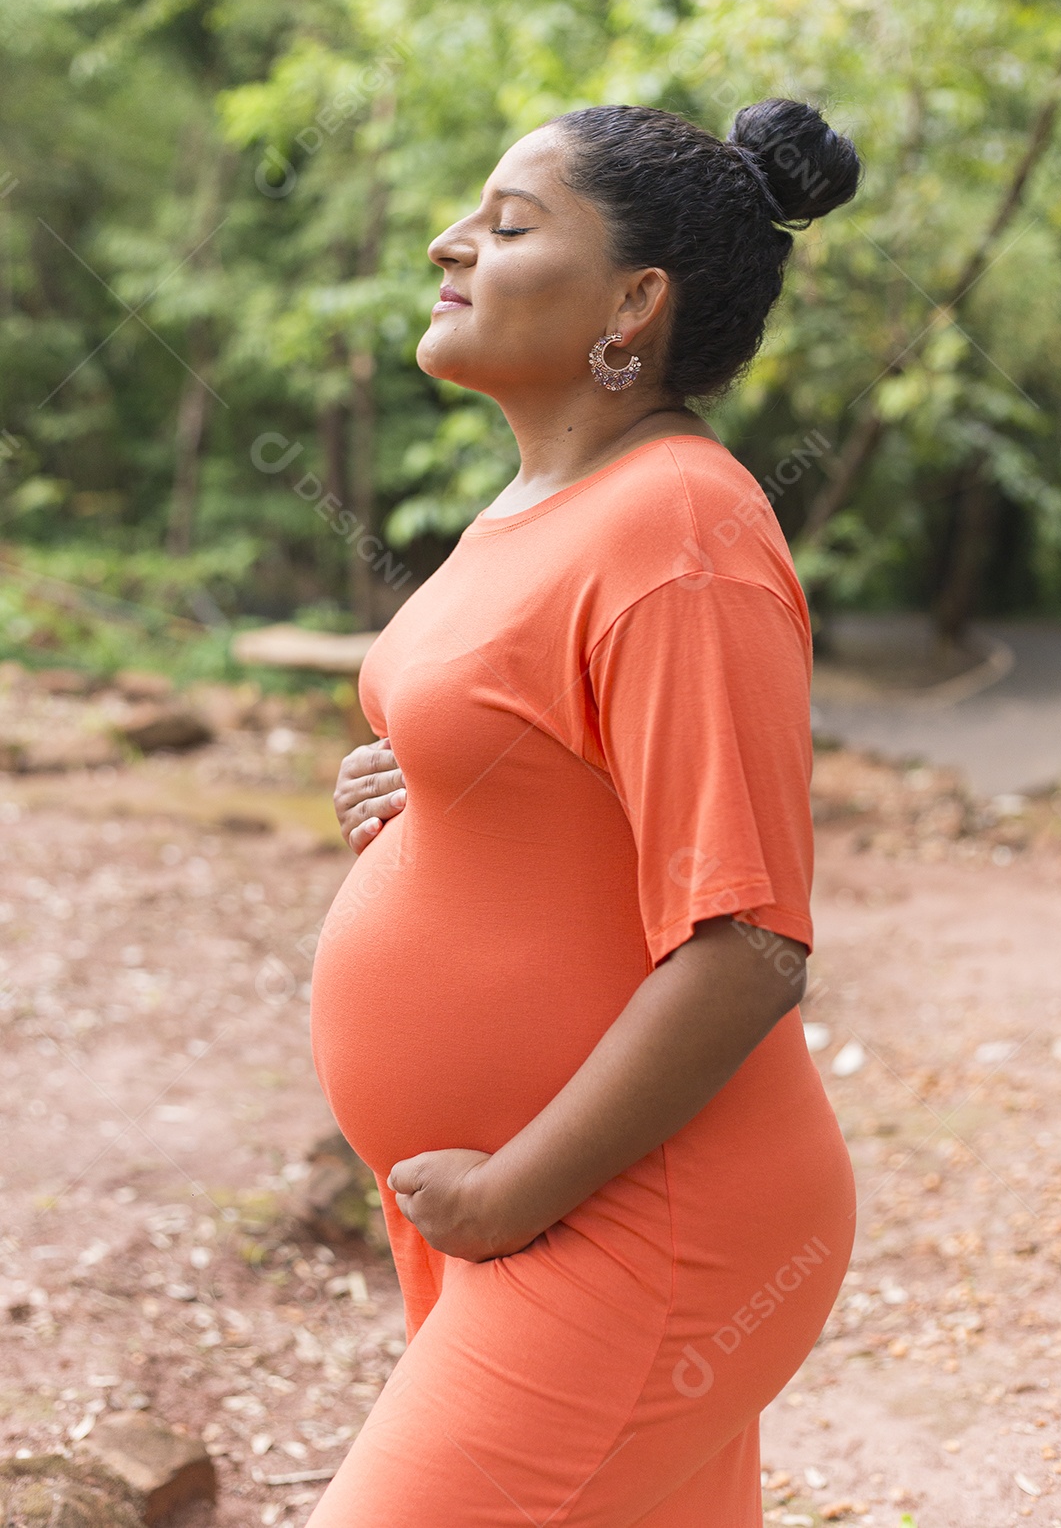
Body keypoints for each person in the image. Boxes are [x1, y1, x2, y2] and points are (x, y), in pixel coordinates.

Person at [309, 99, 861, 1528]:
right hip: (511, 1196)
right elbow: (566, 774)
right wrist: (428, 790)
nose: (450, 244)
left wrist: (510, 1199)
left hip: (624, 1209)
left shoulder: (681, 530)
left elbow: (749, 940)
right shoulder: (550, 501)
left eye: (506, 225)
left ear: (635, 303)